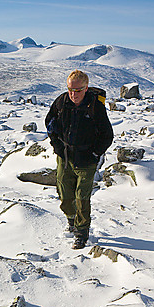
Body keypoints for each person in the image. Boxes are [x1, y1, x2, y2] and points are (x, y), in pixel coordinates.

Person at [45, 70, 113, 249]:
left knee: (82, 197)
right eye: (70, 89)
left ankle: (81, 233)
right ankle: (71, 221)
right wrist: (57, 147)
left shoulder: (95, 106)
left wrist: (95, 154)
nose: (73, 94)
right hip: (65, 156)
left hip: (86, 159)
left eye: (78, 90)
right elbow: (50, 124)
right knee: (65, 194)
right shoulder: (61, 102)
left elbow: (107, 135)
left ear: (86, 88)